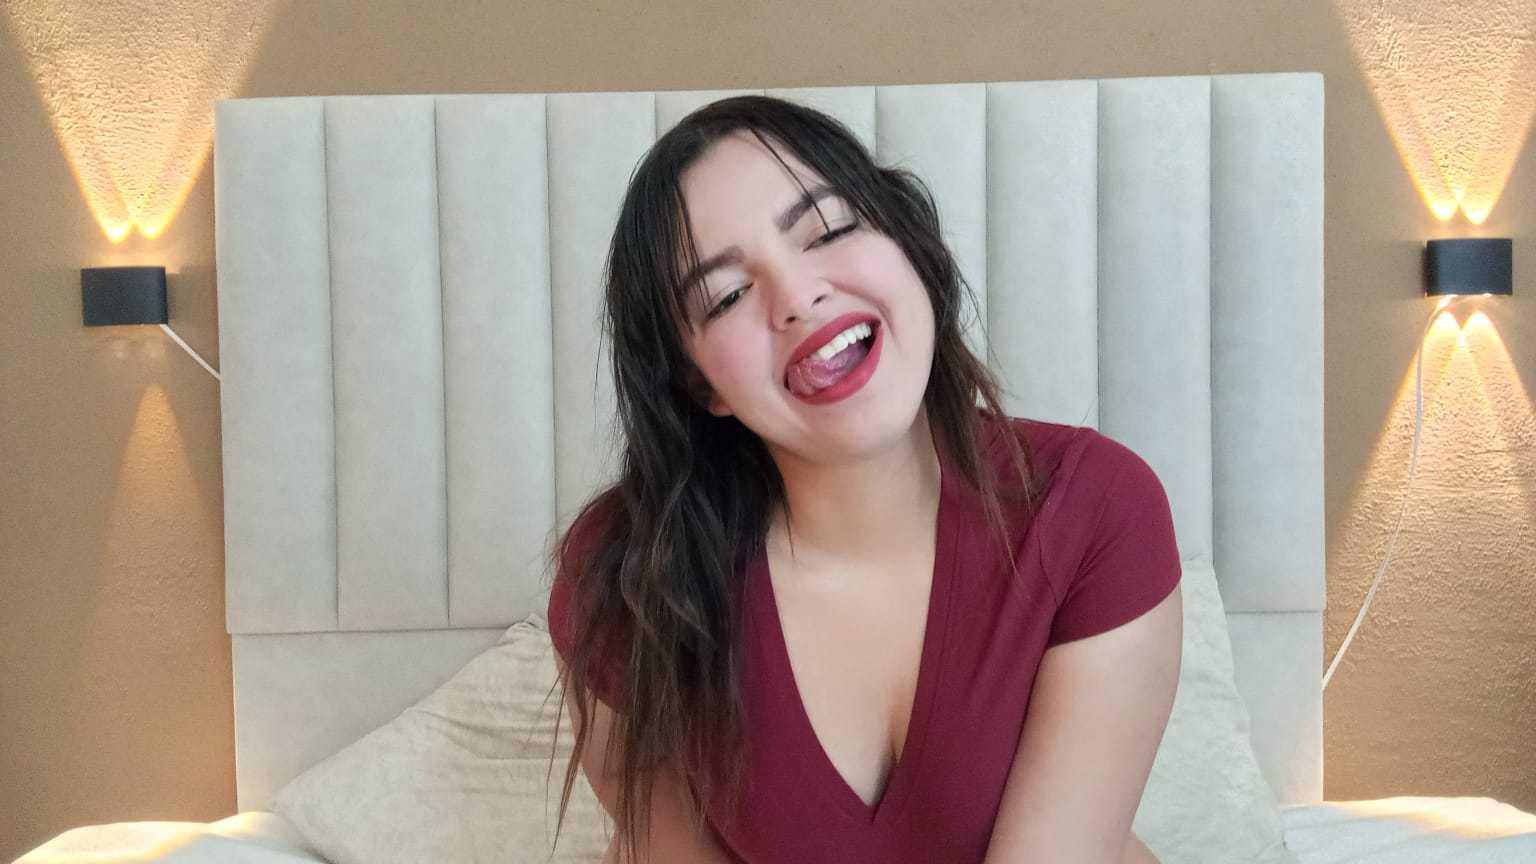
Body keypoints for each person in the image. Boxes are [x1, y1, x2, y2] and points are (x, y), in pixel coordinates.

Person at [544, 94, 1182, 864]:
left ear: (904, 241)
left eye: (828, 230)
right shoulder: (625, 577)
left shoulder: (1095, 509)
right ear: (699, 383)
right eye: (728, 296)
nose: (798, 299)